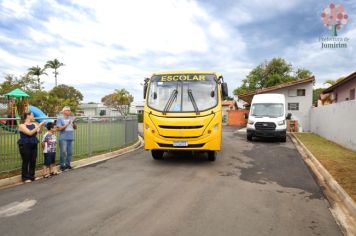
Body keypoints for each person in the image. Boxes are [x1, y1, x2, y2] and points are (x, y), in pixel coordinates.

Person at [18, 112, 45, 183]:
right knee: (26, 160)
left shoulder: (34, 124)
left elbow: (39, 132)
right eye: (33, 115)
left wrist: (41, 126)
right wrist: (39, 126)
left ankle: (32, 176)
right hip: (25, 145)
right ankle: (25, 177)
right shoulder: (21, 125)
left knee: (33, 160)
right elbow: (29, 133)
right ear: (28, 116)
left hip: (33, 143)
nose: (34, 116)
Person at [56, 106, 77, 171]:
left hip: (70, 137)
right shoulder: (60, 119)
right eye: (68, 110)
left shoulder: (71, 118)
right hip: (63, 138)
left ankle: (68, 165)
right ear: (64, 111)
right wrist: (68, 123)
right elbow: (59, 128)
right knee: (63, 152)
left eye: (69, 110)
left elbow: (75, 127)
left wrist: (73, 122)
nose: (69, 111)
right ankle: (62, 166)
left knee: (70, 152)